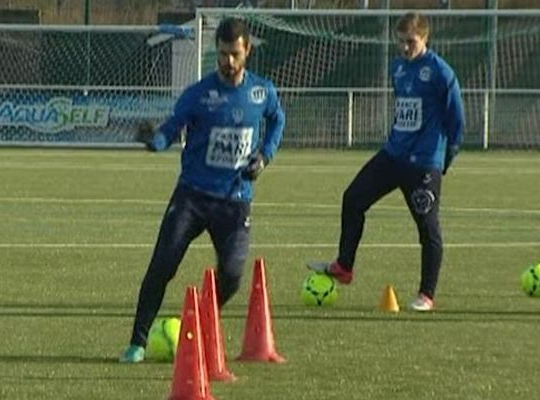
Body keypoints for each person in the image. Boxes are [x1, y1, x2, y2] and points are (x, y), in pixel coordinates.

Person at [120, 17, 285, 362]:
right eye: (223, 54)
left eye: (235, 54)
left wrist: (265, 156)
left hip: (235, 201)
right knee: (162, 266)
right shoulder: (198, 94)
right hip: (192, 197)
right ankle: (137, 342)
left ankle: (199, 325)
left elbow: (278, 119)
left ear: (247, 52)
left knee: (234, 274)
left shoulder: (262, 91)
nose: (228, 61)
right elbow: (171, 128)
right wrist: (155, 141)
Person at [309, 12, 465, 311]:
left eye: (411, 42)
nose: (405, 48)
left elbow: (457, 119)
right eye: (401, 42)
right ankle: (344, 266)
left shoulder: (440, 72)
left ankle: (426, 295)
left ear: (425, 38)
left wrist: (445, 158)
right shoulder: (398, 69)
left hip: (423, 164)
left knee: (428, 229)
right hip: (393, 155)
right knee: (353, 198)